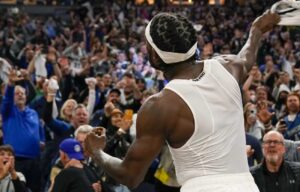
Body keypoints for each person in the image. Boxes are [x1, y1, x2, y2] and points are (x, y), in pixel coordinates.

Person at [84, 11, 281, 191]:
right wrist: (256, 30)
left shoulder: (159, 106)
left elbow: (130, 176)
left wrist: (97, 152)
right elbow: (247, 57)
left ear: (154, 56)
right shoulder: (228, 66)